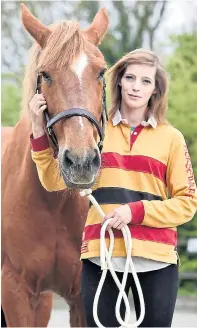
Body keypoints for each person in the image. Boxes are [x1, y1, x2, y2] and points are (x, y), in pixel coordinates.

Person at [29, 49, 197, 327]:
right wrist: (37, 127)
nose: (136, 86)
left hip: (157, 260)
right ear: (118, 81)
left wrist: (135, 212)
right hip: (101, 258)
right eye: (130, 77)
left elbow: (188, 202)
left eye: (145, 81)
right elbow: (53, 180)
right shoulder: (94, 131)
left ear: (155, 89)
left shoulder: (172, 139)